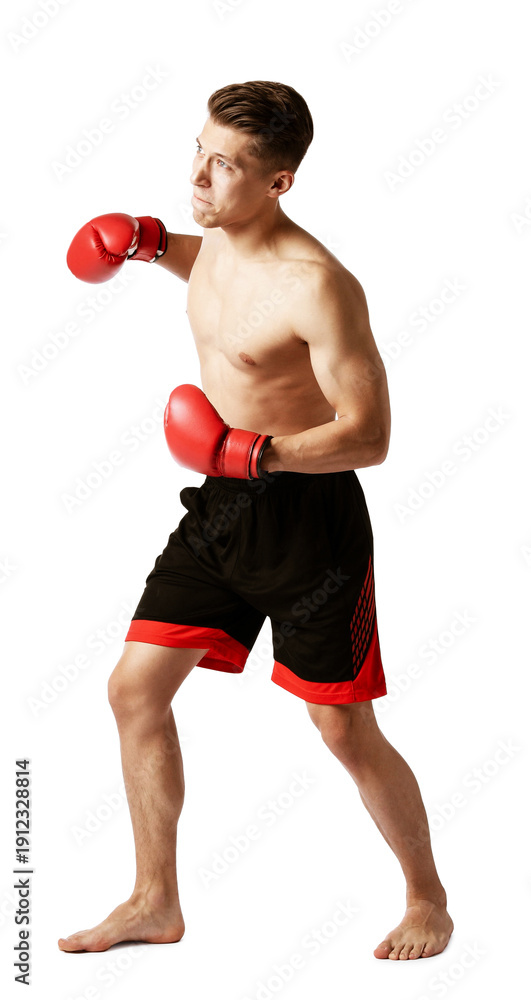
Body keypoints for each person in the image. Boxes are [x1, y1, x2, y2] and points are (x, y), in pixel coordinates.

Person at [58, 80, 453, 960]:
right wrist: (148, 244)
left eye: (226, 166)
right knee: (133, 690)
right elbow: (220, 275)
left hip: (311, 523)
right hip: (220, 506)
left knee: (341, 728)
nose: (199, 177)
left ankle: (426, 897)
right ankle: (154, 901)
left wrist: (251, 452)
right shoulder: (216, 242)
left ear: (277, 183)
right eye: (197, 152)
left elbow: (371, 435)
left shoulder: (320, 287)